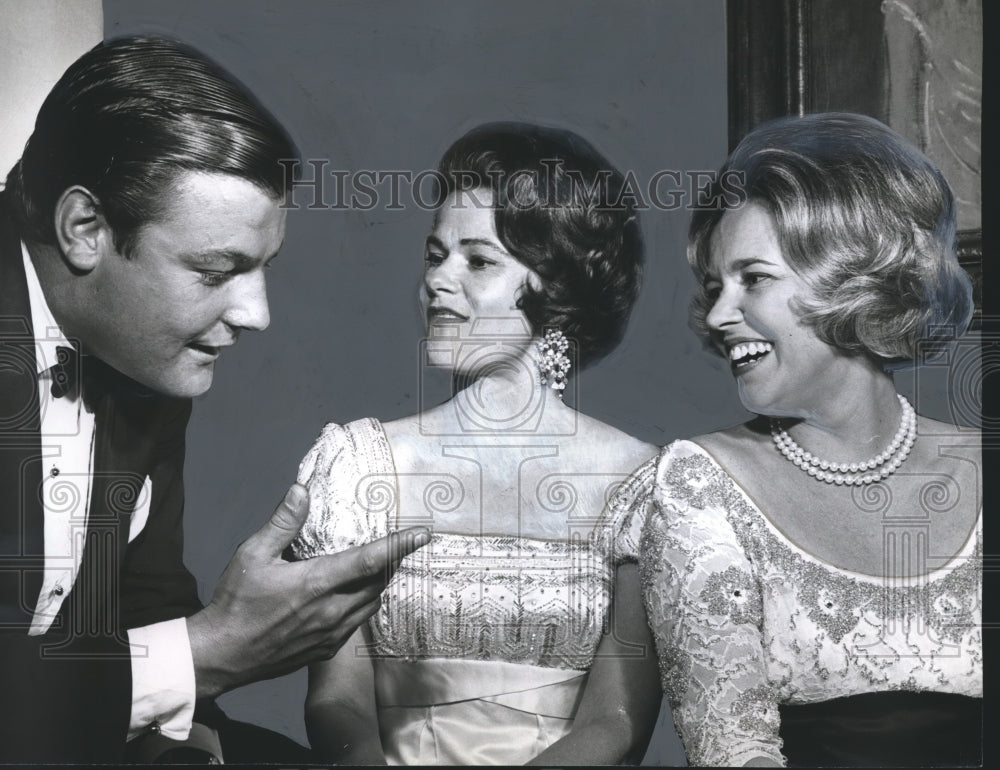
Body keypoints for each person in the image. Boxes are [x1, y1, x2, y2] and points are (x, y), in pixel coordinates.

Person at [0, 36, 427, 764]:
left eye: (261, 269)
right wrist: (212, 650)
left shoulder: (136, 346)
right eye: (215, 271)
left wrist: (198, 735)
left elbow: (143, 598)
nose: (256, 313)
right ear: (84, 229)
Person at [292, 122, 662, 765]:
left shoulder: (644, 484)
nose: (438, 280)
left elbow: (618, 720)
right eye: (435, 254)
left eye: (479, 260)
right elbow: (335, 700)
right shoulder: (359, 466)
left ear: (557, 286)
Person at [640, 112, 982, 767]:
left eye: (753, 279)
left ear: (850, 282)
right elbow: (730, 746)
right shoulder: (700, 483)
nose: (716, 316)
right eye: (715, 286)